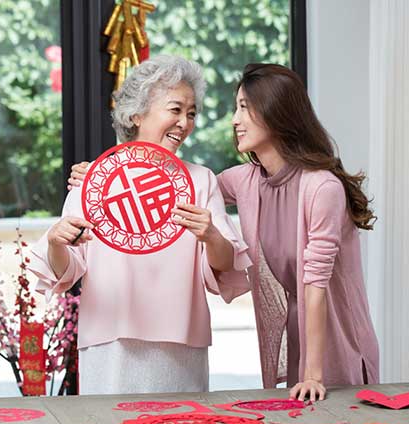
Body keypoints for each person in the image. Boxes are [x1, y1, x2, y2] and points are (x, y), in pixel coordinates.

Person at [70, 63, 380, 401]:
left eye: (244, 108)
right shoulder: (245, 181)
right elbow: (175, 188)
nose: (234, 120)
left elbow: (315, 285)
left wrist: (313, 375)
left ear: (277, 113)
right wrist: (110, 177)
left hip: (336, 339)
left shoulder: (322, 188)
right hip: (299, 341)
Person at [29, 55, 251, 395]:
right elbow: (68, 271)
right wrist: (57, 243)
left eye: (191, 113)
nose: (185, 123)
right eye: (174, 110)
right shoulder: (96, 179)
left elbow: (223, 266)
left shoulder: (200, 180)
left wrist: (211, 235)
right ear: (136, 113)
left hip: (180, 343)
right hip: (109, 340)